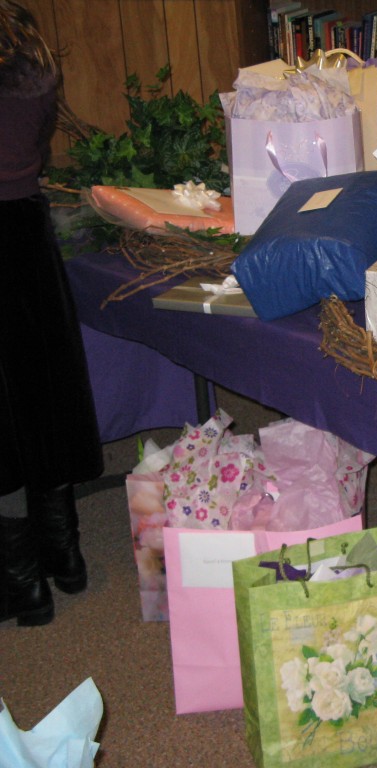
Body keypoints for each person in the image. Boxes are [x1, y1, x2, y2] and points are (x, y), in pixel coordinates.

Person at [0, 0, 102, 626]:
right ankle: (65, 555)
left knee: (3, 418)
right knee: (42, 394)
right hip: (27, 238)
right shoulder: (32, 59)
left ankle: (23, 582)